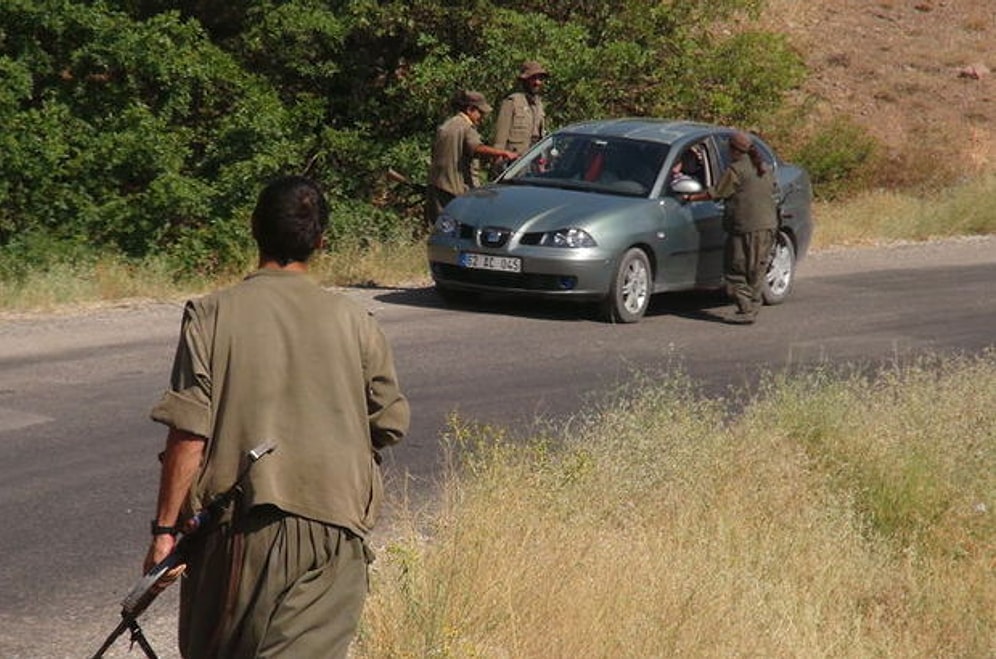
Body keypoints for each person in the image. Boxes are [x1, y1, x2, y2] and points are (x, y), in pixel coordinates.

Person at [144, 175, 411, 658]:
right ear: (321, 241)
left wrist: (164, 533)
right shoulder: (357, 323)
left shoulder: (210, 315)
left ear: (254, 229)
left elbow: (189, 433)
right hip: (334, 530)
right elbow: (390, 423)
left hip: (237, 534)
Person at [683, 131, 778, 323]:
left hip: (744, 228)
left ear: (734, 150)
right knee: (757, 269)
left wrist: (691, 197)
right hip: (768, 226)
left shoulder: (736, 170)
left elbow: (716, 193)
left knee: (735, 270)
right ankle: (753, 304)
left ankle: (746, 309)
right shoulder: (764, 168)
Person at [425, 90, 518, 228]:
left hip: (436, 185)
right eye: (480, 112)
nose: (482, 117)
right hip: (454, 189)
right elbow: (476, 148)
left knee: (439, 229)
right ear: (470, 109)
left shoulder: (446, 125)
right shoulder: (466, 127)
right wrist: (503, 153)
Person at [493, 60, 549, 159]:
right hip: (514, 161)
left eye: (540, 78)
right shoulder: (512, 102)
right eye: (533, 78)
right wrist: (498, 160)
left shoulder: (539, 105)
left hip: (533, 161)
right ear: (525, 80)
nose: (537, 82)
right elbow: (500, 139)